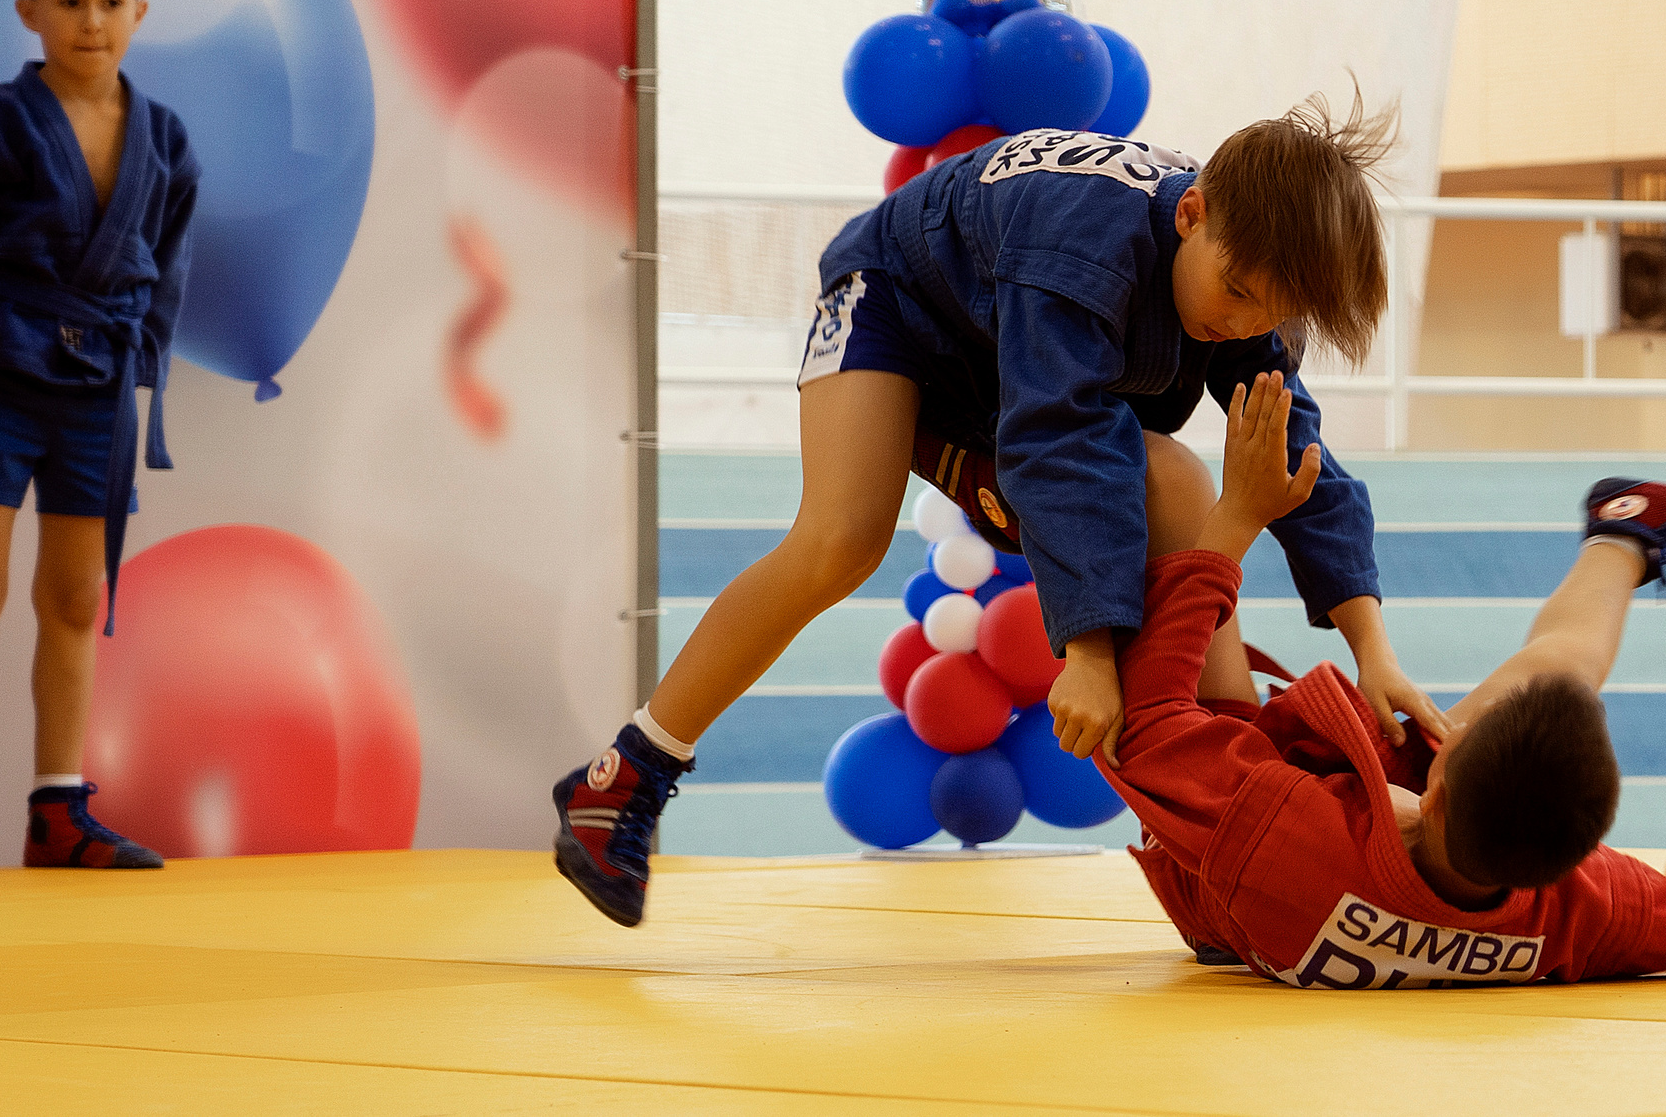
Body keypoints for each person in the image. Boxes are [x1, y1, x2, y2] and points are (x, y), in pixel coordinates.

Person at [554, 97, 1442, 926]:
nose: (1244, 319)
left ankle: (1227, 842)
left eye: (1272, 311)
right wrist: (1090, 652)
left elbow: (1295, 456)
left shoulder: (1246, 285)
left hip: (1004, 366)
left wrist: (1375, 650)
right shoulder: (1084, 241)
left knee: (1176, 478)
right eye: (1239, 291)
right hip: (898, 310)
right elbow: (1061, 437)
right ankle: (624, 773)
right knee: (840, 540)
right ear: (1192, 214)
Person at [1101, 372, 1666, 988]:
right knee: (1554, 676)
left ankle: (1626, 539)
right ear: (1569, 863)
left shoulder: (1274, 828)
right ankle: (1628, 529)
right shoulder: (1578, 915)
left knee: (1168, 473)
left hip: (1226, 878)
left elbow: (1147, 729)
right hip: (1306, 870)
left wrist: (1234, 525)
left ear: (1435, 789)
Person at [0, 0, 198, 868]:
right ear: (29, 12)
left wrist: (144, 360)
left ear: (140, 12)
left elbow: (171, 260)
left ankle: (57, 811)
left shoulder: (164, 136)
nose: (91, 22)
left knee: (74, 594)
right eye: (69, 3)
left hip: (99, 382)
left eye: (110, 3)